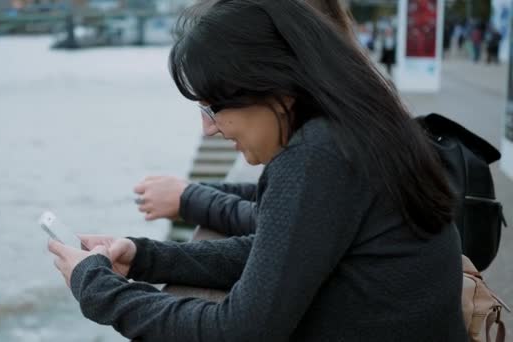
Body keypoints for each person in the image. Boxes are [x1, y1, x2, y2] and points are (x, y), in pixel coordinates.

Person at [48, 0, 468, 341]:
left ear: (277, 90)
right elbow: (274, 252)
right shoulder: (358, 129)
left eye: (213, 108)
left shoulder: (318, 157)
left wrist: (98, 289)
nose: (208, 129)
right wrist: (145, 256)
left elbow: (240, 330)